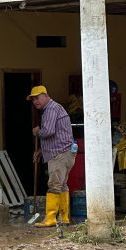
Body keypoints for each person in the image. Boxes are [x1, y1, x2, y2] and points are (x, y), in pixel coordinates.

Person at [28, 85, 76, 227]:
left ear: (45, 95)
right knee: (62, 185)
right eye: (33, 100)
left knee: (54, 185)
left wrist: (37, 131)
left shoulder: (50, 109)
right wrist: (41, 151)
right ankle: (64, 217)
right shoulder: (55, 108)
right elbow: (57, 135)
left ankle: (50, 218)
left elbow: (48, 131)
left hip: (59, 154)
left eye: (37, 98)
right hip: (66, 152)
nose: (35, 101)